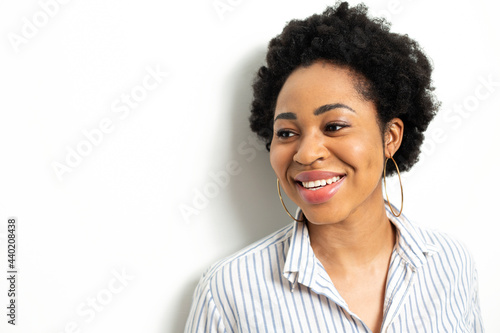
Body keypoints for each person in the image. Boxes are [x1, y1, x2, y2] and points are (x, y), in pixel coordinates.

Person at [185, 2, 483, 332]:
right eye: (286, 132)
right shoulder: (230, 291)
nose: (306, 153)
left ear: (391, 136)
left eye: (335, 126)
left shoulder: (451, 264)